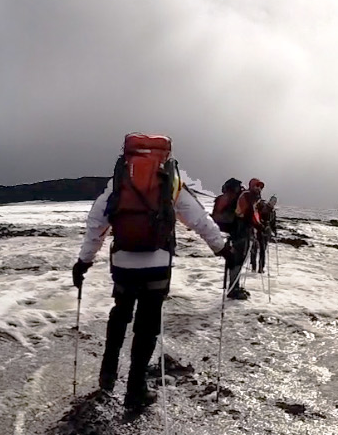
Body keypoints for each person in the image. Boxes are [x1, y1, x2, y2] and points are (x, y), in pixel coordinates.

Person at [72, 133, 234, 410]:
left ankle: (107, 375)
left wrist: (83, 262)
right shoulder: (170, 184)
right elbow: (199, 220)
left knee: (120, 313)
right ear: (166, 156)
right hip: (158, 266)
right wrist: (222, 250)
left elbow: (96, 224)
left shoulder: (118, 184)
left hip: (123, 264)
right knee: (147, 327)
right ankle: (135, 390)